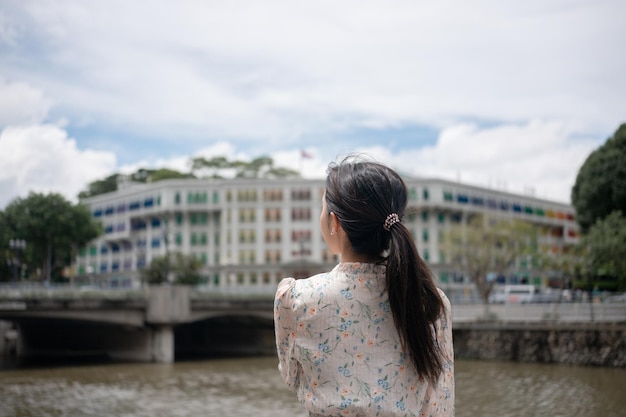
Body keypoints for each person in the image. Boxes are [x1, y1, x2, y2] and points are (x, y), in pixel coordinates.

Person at [274, 157, 455, 417]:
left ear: (334, 223)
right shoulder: (430, 302)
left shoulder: (297, 299)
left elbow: (293, 377)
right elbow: (439, 403)